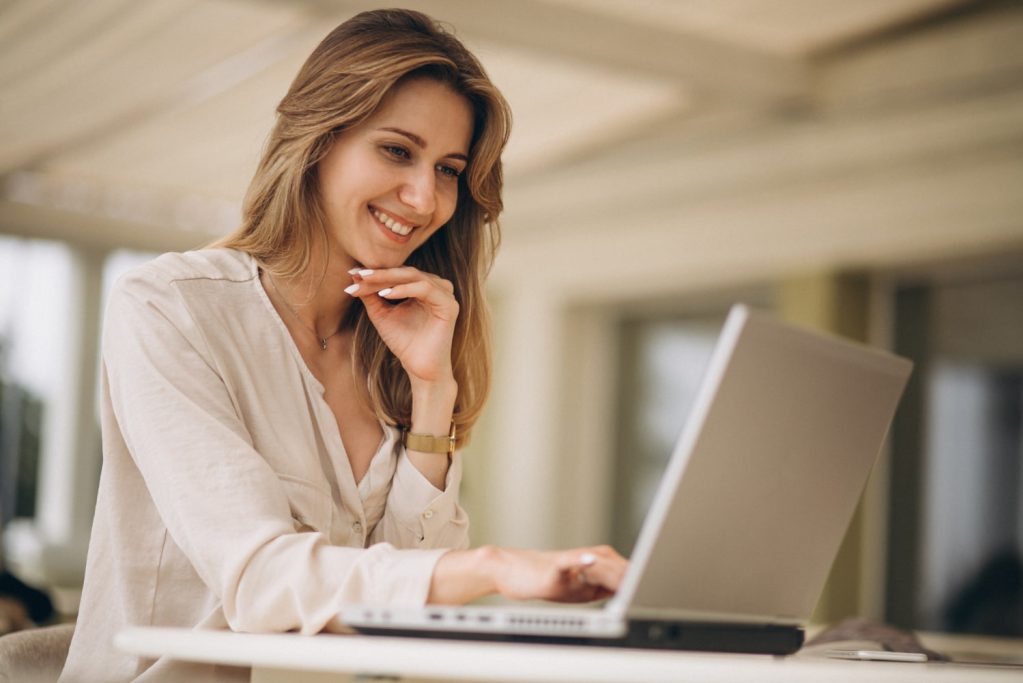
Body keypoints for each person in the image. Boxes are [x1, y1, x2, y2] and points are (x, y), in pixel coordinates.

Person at [60, 9, 627, 682]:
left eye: (449, 168)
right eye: (397, 150)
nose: (424, 196)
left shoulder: (396, 347)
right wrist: (493, 565)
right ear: (318, 139)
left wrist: (431, 396)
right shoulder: (170, 308)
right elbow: (262, 580)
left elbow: (393, 625)